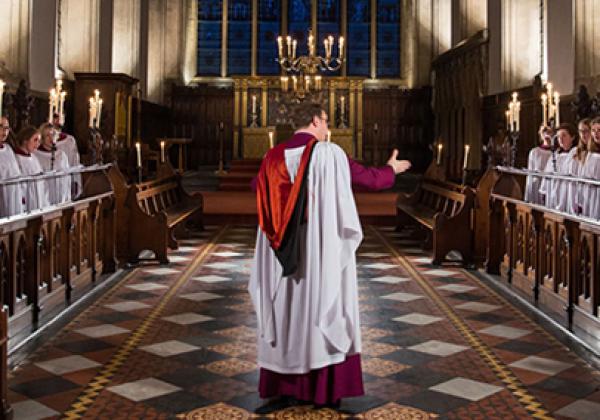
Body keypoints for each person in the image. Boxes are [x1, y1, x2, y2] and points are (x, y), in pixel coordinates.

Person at [249, 103, 411, 413]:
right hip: (318, 248)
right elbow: (368, 179)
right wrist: (392, 169)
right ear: (314, 121)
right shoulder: (327, 153)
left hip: (281, 250)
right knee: (321, 306)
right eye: (325, 121)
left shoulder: (272, 157)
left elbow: (257, 188)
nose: (327, 128)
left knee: (285, 312)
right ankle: (322, 387)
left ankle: (285, 386)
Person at [540, 123, 578, 213]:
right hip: (553, 191)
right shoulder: (555, 154)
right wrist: (544, 190)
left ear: (572, 137)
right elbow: (547, 173)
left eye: (564, 135)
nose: (560, 139)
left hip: (568, 193)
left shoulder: (576, 154)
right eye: (558, 136)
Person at [33, 123, 71, 205]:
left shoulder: (62, 155)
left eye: (53, 134)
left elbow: (67, 178)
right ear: (42, 138)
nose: (51, 138)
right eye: (47, 135)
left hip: (61, 198)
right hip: (43, 199)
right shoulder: (35, 155)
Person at [14, 126, 50, 211]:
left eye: (39, 140)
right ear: (25, 140)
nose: (38, 144)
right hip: (26, 204)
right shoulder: (16, 159)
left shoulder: (34, 158)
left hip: (39, 203)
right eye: (35, 140)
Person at [0, 116, 25, 217]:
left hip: (12, 195)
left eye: (7, 128)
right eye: (1, 127)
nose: (4, 131)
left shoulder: (9, 149)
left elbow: (16, 173)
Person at [524, 125, 553, 205]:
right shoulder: (534, 152)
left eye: (549, 133)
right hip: (537, 184)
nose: (547, 135)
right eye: (544, 133)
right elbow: (530, 174)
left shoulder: (555, 153)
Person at [579, 117, 600, 219]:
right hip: (592, 195)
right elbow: (584, 177)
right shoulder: (590, 154)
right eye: (593, 130)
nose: (596, 134)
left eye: (599, 130)